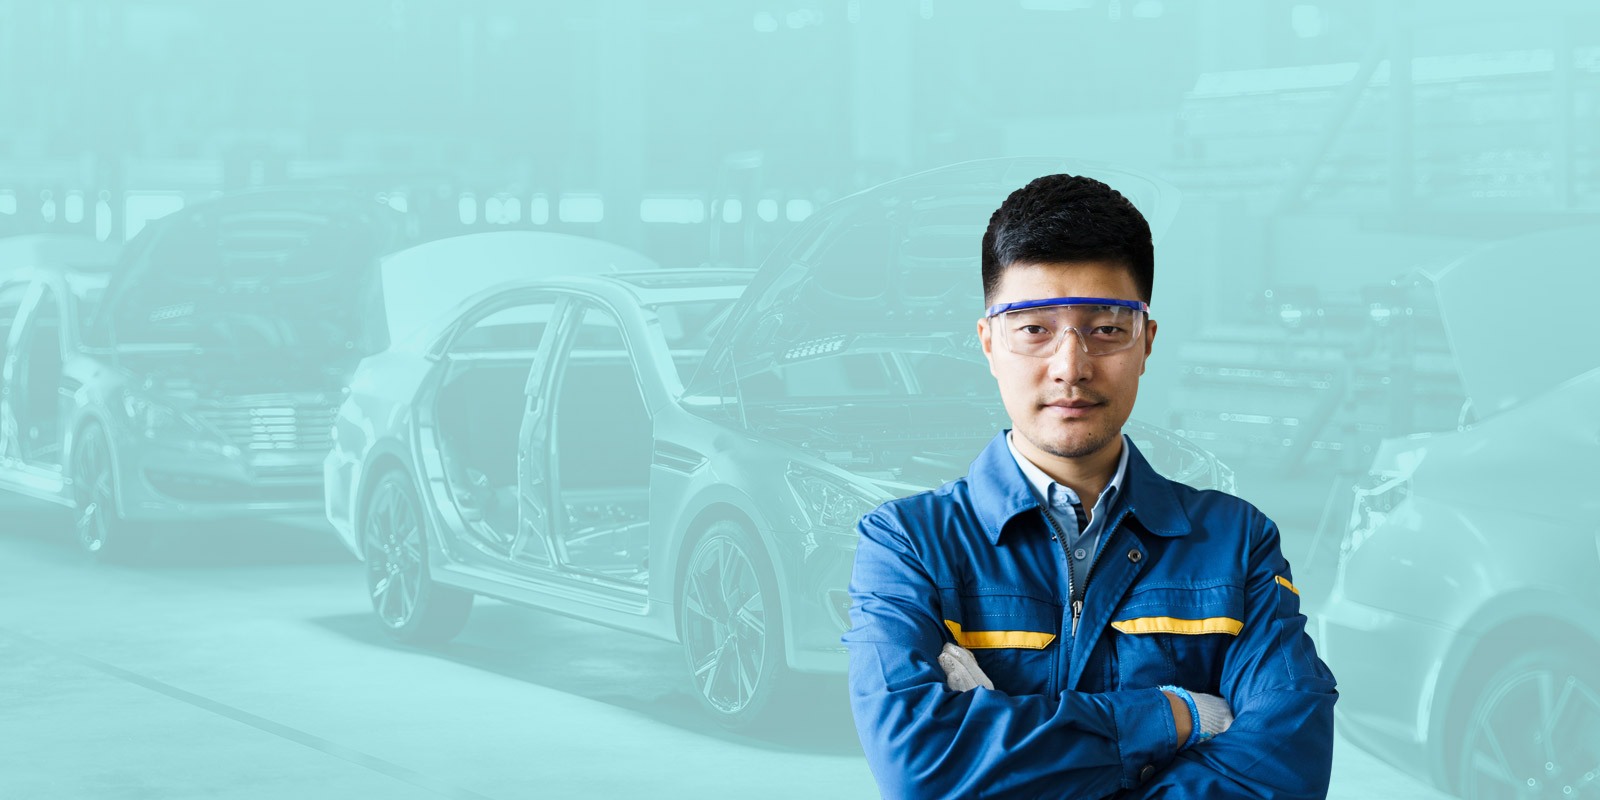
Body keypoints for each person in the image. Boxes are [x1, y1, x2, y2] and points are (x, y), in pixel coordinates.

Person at [841, 173, 1338, 799]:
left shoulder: (1236, 543)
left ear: (1146, 341)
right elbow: (919, 763)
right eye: (1033, 328)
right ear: (989, 342)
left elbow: (1284, 774)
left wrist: (1002, 748)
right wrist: (1174, 715)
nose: (1071, 366)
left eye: (1106, 328)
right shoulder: (909, 545)